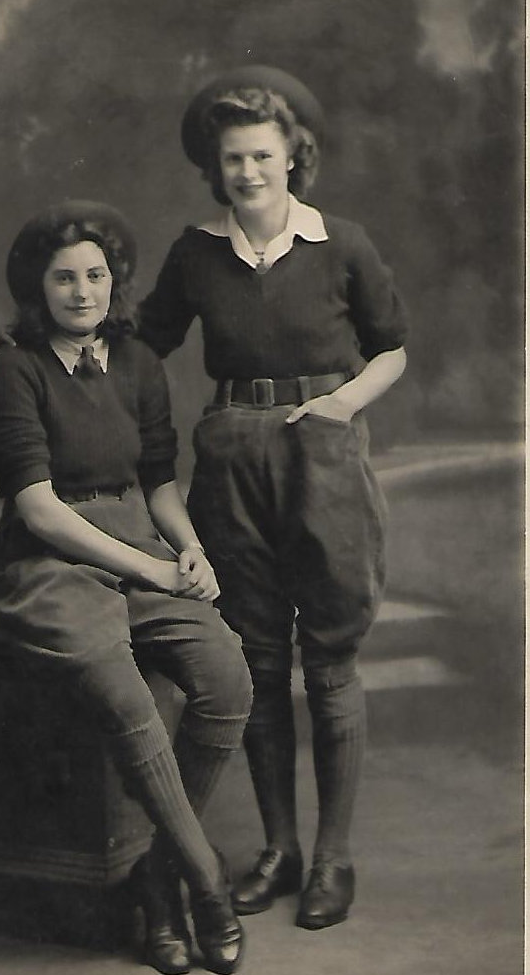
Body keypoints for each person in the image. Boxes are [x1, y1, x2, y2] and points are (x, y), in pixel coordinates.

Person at [137, 65, 408, 931]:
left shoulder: (344, 244)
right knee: (255, 661)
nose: (247, 172)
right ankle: (279, 850)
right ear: (214, 169)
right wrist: (45, 340)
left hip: (322, 449)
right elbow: (144, 344)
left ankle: (333, 858)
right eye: (232, 159)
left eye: (262, 154)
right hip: (230, 456)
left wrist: (339, 406)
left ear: (294, 156)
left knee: (327, 660)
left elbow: (393, 349)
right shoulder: (194, 252)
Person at [0, 200, 253, 975]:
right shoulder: (12, 366)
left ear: (114, 281)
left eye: (95, 274)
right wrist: (153, 569)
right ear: (39, 288)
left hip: (139, 544)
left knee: (228, 678)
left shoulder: (136, 362)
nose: (81, 291)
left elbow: (161, 481)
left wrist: (190, 551)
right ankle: (204, 882)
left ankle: (157, 877)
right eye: (63, 278)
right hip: (46, 563)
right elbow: (38, 509)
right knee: (124, 689)